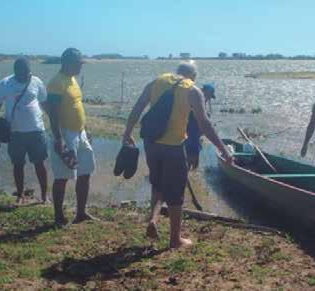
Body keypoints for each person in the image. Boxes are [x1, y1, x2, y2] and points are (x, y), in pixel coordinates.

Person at [122, 62, 233, 249]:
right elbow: (204, 124)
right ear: (193, 77)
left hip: (151, 143)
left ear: (178, 72)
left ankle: (153, 219)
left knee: (157, 183)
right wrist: (224, 149)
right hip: (173, 147)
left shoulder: (157, 81)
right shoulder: (192, 90)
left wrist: (127, 133)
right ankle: (175, 239)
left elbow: (138, 108)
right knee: (176, 194)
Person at [46, 48, 97, 225]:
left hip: (80, 132)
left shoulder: (72, 80)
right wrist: (58, 139)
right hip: (65, 133)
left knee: (85, 172)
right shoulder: (56, 83)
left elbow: (77, 106)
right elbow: (53, 113)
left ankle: (81, 213)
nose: (80, 67)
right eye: (78, 64)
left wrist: (86, 129)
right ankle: (59, 216)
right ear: (67, 63)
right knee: (62, 176)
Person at [0, 58, 49, 204]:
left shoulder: (37, 82)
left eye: (27, 73)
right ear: (15, 72)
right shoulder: (4, 84)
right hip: (15, 133)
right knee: (18, 164)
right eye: (21, 73)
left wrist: (55, 122)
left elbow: (45, 104)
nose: (25, 76)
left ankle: (44, 196)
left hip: (36, 131)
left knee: (40, 164)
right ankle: (20, 195)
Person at [185, 84, 216, 170]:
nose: (209, 98)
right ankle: (188, 177)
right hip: (190, 136)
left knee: (194, 162)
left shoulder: (202, 101)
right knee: (190, 160)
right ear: (205, 92)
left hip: (195, 136)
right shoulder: (195, 99)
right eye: (209, 95)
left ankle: (192, 177)